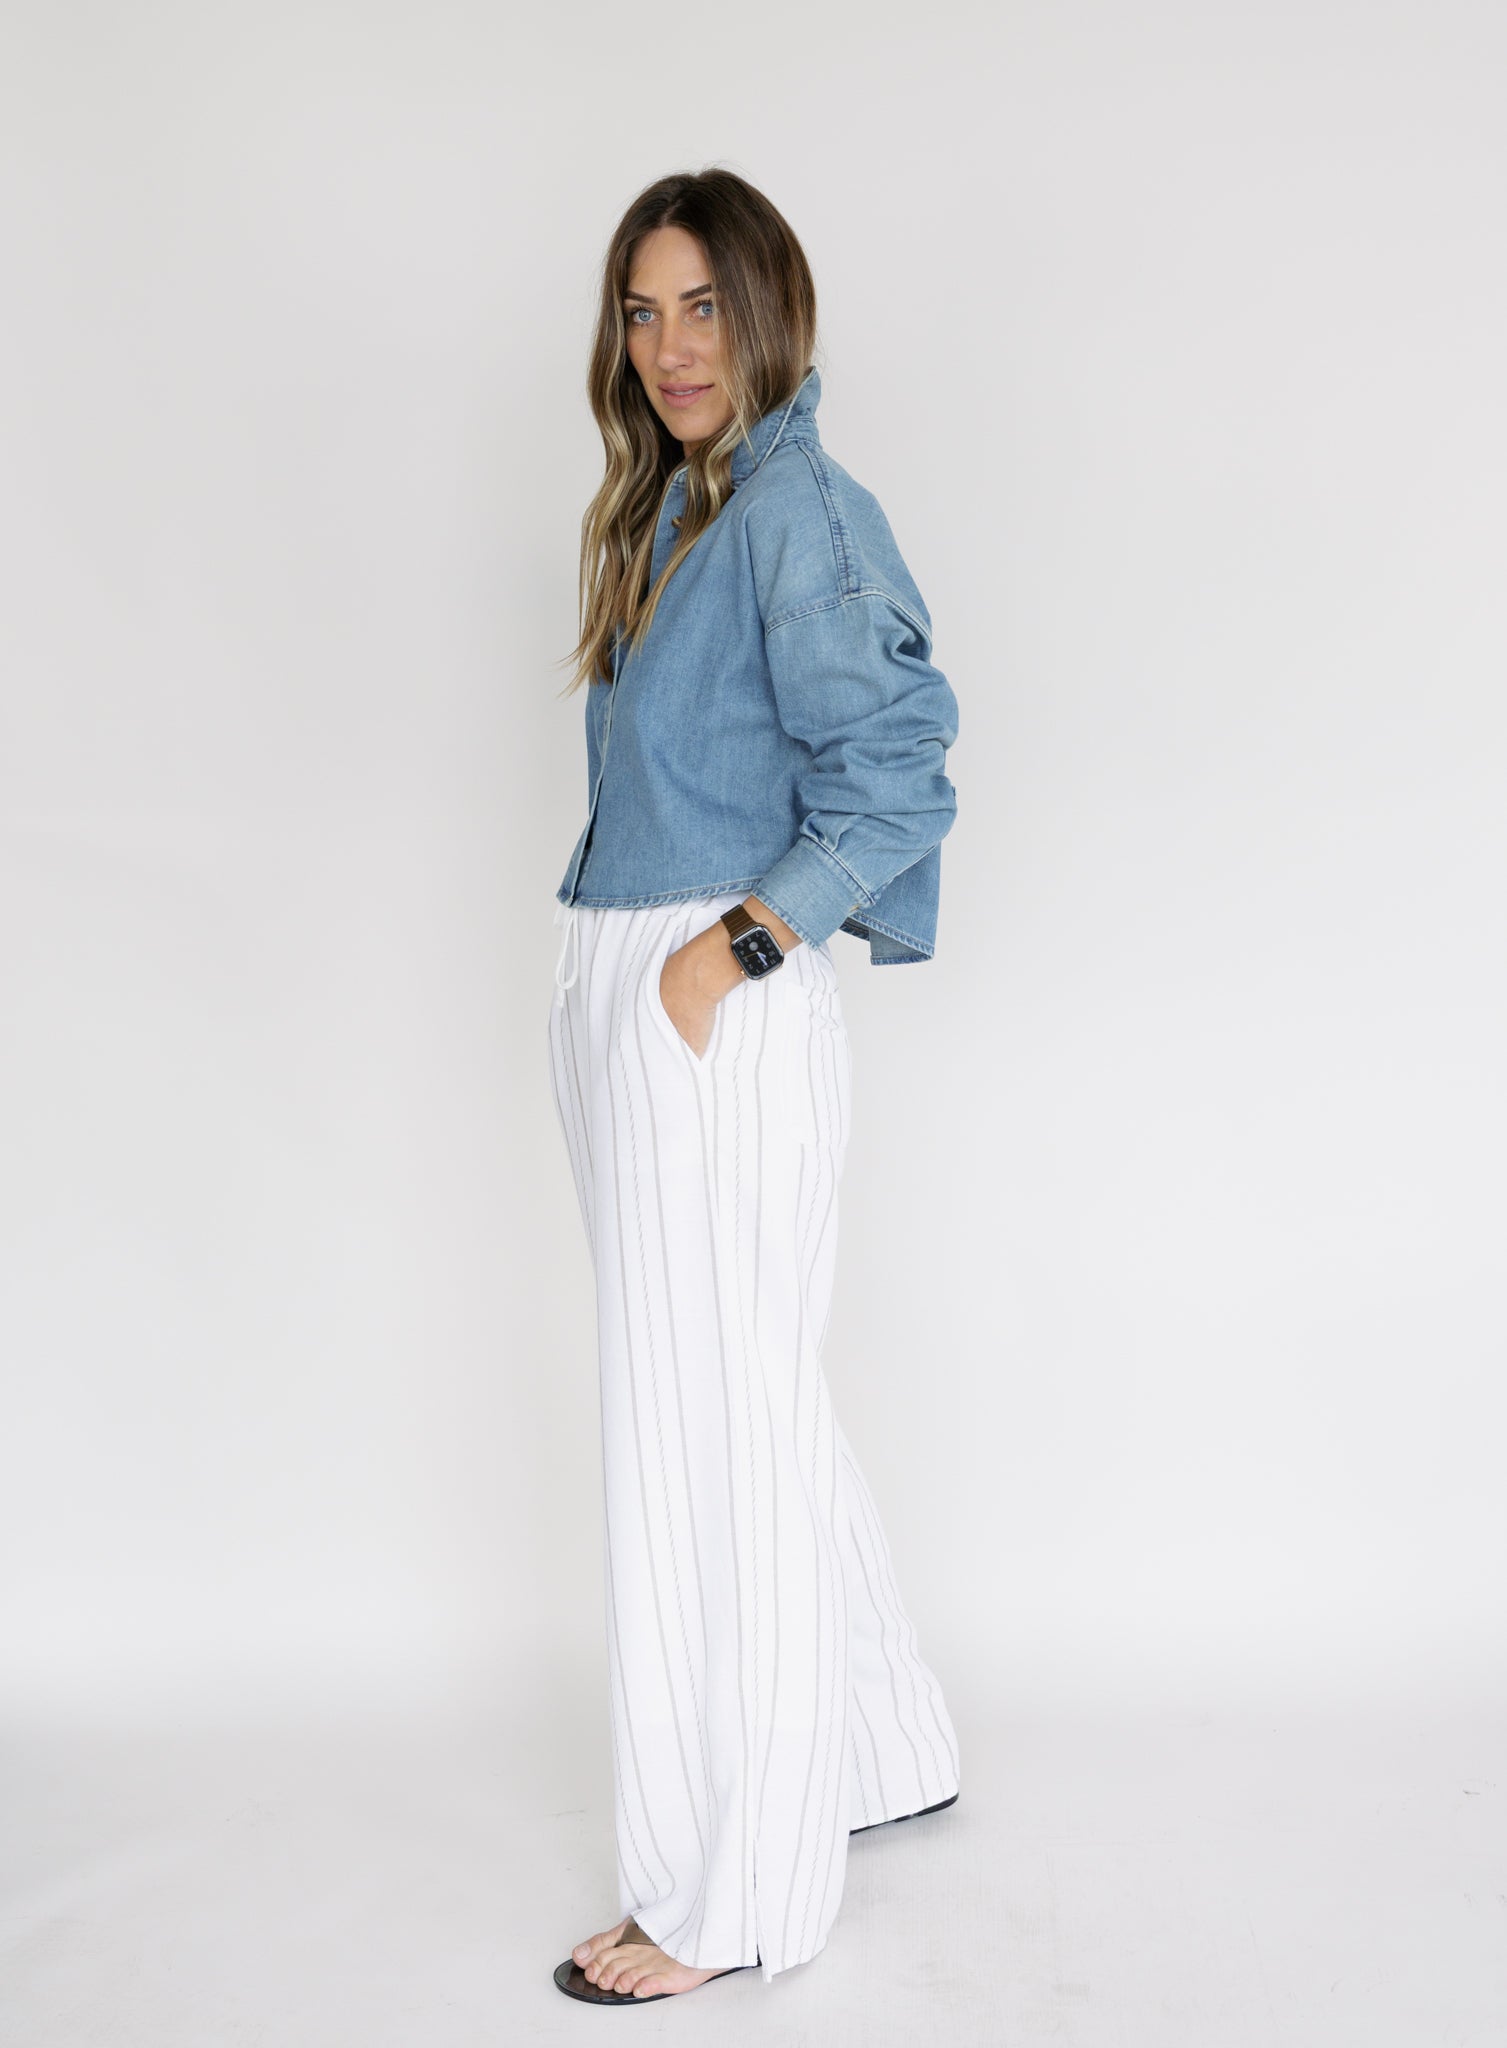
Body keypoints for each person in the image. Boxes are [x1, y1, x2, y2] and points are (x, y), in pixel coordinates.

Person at [546, 167, 961, 2007]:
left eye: (703, 305)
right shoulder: (675, 509)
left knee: (705, 1449)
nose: (670, 347)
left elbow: (902, 775)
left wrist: (723, 959)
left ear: (770, 310)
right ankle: (877, 1743)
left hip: (711, 1005)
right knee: (742, 1400)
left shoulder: (798, 512)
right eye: (642, 312)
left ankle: (735, 1891)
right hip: (641, 997)